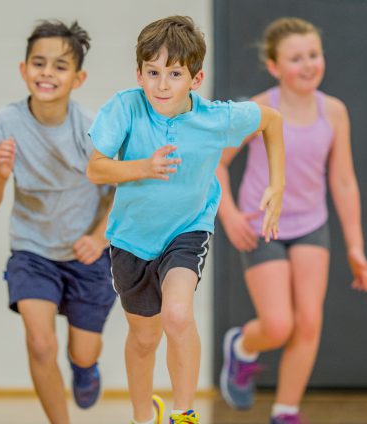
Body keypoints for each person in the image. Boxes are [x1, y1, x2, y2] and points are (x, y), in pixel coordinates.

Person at [86, 15, 285, 424]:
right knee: (143, 339)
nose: (162, 84)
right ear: (138, 73)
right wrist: (143, 167)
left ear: (195, 79)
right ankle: (143, 416)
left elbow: (273, 121)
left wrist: (277, 184)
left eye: (174, 74)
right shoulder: (126, 107)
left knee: (178, 314)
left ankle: (184, 413)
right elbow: (96, 169)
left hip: (187, 230)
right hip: (131, 239)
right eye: (153, 72)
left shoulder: (217, 118)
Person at [216, 17, 367, 424]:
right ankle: (242, 348)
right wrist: (230, 214)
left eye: (313, 55)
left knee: (308, 322)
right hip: (262, 223)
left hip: (311, 224)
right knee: (278, 324)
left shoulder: (334, 111)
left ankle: (285, 411)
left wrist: (355, 246)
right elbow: (216, 164)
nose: (308, 65)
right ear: (273, 66)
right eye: (296, 58)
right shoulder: (258, 109)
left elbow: (342, 181)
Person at [0, 20, 116, 424]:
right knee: (41, 345)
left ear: (78, 77)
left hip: (86, 251)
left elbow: (120, 190)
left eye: (60, 66)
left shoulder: (92, 128)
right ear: (23, 70)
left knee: (82, 351)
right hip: (31, 249)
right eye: (39, 63)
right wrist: (1, 176)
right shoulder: (4, 123)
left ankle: (85, 367)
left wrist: (99, 236)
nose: (47, 73)